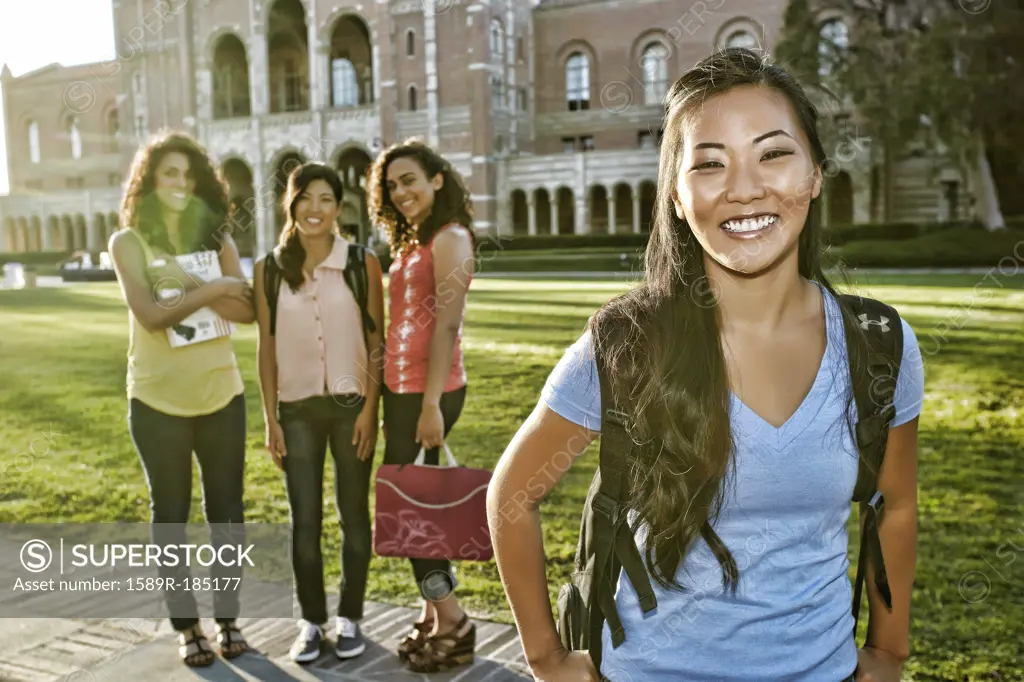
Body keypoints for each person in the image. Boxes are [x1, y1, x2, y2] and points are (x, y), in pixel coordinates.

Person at [487, 48, 925, 682]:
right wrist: (547, 658)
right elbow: (511, 496)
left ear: (816, 173)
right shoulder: (628, 343)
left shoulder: (879, 343)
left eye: (774, 153)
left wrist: (889, 651)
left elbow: (898, 506)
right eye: (710, 164)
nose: (744, 187)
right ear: (677, 194)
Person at [108, 130, 255, 668]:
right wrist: (214, 288)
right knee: (170, 515)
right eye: (169, 173)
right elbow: (149, 317)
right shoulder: (128, 243)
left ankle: (229, 619)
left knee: (228, 516)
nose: (180, 183)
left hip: (222, 395)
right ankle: (187, 627)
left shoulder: (217, 240)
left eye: (189, 175)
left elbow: (249, 312)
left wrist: (221, 286)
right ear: (149, 180)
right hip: (157, 402)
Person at [253, 162, 385, 664]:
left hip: (351, 407)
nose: (315, 209)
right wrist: (271, 421)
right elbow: (265, 350)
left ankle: (349, 617)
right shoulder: (268, 269)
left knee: (354, 514)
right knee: (303, 520)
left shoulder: (360, 262)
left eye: (325, 199)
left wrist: (370, 412)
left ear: (338, 206)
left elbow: (377, 343)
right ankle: (311, 621)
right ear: (291, 204)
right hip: (297, 413)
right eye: (305, 198)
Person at [365, 138, 478, 673]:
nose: (400, 192)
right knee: (412, 513)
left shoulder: (451, 238)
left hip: (430, 393)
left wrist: (431, 404)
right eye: (391, 185)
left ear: (436, 179)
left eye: (409, 179)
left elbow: (447, 326)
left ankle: (453, 621)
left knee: (407, 515)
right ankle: (436, 616)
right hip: (403, 392)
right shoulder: (414, 242)